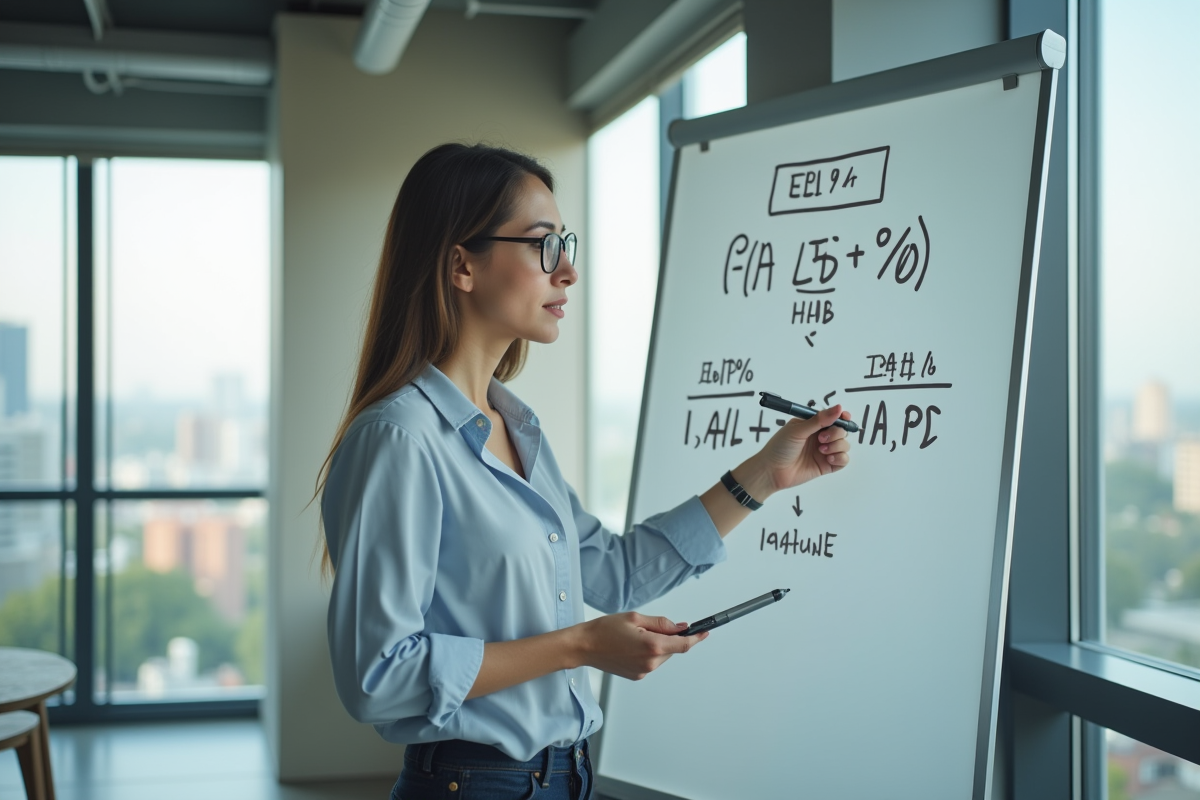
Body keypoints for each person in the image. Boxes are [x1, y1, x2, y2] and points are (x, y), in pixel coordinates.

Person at [317, 143, 853, 800]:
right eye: (544, 245)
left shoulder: (517, 429)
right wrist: (579, 646)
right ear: (462, 265)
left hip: (566, 777)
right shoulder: (400, 438)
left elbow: (616, 573)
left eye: (565, 244)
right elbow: (377, 677)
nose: (569, 271)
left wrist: (765, 475)